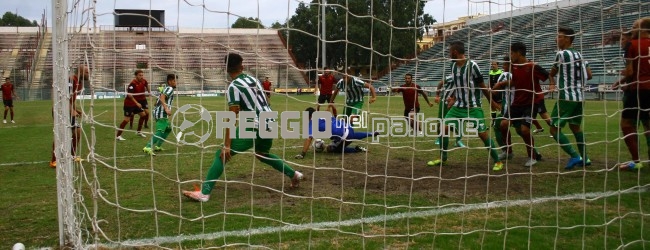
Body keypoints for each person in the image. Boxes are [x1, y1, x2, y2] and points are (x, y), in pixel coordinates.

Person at [182, 53, 303, 202]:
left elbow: (232, 116)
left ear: (226, 69)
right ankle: (294, 174)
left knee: (222, 154)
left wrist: (227, 144)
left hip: (253, 123)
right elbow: (265, 101)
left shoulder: (234, 87)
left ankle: (204, 193)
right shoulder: (254, 79)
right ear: (242, 66)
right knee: (262, 153)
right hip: (270, 119)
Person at [427, 41, 503, 171]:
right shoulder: (453, 66)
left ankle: (497, 161)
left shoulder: (473, 66)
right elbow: (459, 86)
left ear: (455, 52)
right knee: (443, 128)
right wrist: (454, 99)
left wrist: (492, 102)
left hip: (474, 107)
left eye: (450, 51)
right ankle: (443, 158)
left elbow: (482, 86)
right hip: (458, 106)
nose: (449, 53)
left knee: (483, 134)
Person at [492, 45, 545, 167]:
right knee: (503, 125)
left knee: (522, 130)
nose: (504, 67)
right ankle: (509, 151)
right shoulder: (514, 71)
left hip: (522, 104)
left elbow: (499, 90)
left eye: (505, 64)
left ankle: (529, 154)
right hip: (514, 106)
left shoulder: (520, 70)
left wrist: (498, 88)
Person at [548, 27, 591, 170]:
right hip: (580, 97)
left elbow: (552, 72)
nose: (556, 39)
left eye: (559, 37)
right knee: (575, 127)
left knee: (554, 129)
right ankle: (585, 158)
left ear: (567, 39)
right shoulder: (580, 55)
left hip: (566, 97)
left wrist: (553, 82)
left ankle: (574, 156)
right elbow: (589, 75)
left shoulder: (561, 54)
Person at [615, 18, 650, 171]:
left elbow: (630, 72)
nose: (632, 29)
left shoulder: (633, 44)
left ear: (644, 29)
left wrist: (622, 77)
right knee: (648, 125)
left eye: (635, 27)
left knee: (627, 124)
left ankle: (636, 162)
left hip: (638, 90)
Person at [295, 106, 376, 159]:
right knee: (351, 135)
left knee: (330, 149)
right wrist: (332, 106)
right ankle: (371, 133)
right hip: (347, 127)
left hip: (344, 136)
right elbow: (335, 112)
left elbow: (309, 138)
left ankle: (356, 149)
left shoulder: (312, 122)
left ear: (309, 116)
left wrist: (302, 154)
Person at [50, 65, 88, 168]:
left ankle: (72, 155)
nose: (88, 75)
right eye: (86, 73)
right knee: (61, 135)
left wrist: (76, 110)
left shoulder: (79, 84)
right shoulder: (70, 80)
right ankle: (54, 160)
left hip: (68, 110)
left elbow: (71, 100)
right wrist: (71, 110)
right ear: (80, 72)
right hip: (60, 111)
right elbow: (64, 97)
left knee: (77, 132)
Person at [143, 74, 178, 156]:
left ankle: (158, 146)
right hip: (162, 112)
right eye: (174, 81)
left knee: (168, 128)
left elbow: (156, 103)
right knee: (160, 130)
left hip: (158, 111)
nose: (176, 83)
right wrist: (166, 108)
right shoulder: (169, 88)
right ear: (169, 81)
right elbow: (162, 97)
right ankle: (148, 147)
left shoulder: (165, 88)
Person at [492, 56, 514, 160]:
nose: (504, 66)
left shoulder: (504, 75)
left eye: (505, 64)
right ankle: (535, 153)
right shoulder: (519, 73)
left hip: (508, 107)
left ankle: (506, 150)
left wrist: (493, 100)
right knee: (521, 129)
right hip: (521, 106)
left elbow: (495, 90)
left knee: (498, 125)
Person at [116, 71, 148, 141]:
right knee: (126, 120)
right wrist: (137, 103)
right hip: (129, 104)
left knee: (143, 115)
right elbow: (129, 95)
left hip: (135, 104)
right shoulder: (132, 84)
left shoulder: (141, 82)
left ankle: (138, 132)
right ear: (136, 76)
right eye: (140, 75)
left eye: (142, 75)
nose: (141, 77)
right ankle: (118, 135)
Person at [433, 75, 465, 147]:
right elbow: (441, 83)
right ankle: (439, 138)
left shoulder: (467, 79)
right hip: (445, 101)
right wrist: (437, 96)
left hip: (458, 103)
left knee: (459, 121)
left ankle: (458, 141)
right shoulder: (453, 76)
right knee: (441, 119)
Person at [488, 61, 503, 127]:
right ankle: (493, 121)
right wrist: (488, 88)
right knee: (492, 107)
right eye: (492, 64)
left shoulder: (500, 72)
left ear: (497, 65)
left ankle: (500, 120)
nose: (492, 65)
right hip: (492, 91)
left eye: (494, 64)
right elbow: (489, 81)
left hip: (498, 92)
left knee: (499, 106)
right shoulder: (490, 72)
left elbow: (502, 82)